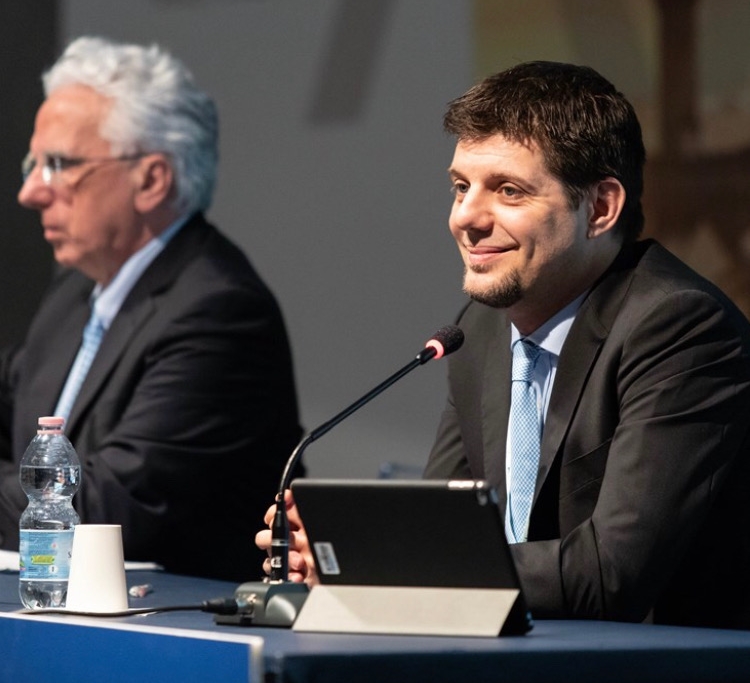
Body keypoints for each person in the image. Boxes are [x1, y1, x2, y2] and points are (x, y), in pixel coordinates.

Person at [256, 60, 750, 628]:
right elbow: (443, 530)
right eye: (461, 187)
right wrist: (341, 553)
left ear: (601, 208)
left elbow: (612, 571)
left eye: (509, 191)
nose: (465, 217)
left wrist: (392, 565)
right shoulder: (483, 327)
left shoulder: (679, 326)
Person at [0, 36, 303, 582]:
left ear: (152, 179)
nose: (30, 192)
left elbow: (98, 513)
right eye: (33, 164)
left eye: (59, 164)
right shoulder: (74, 293)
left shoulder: (220, 312)